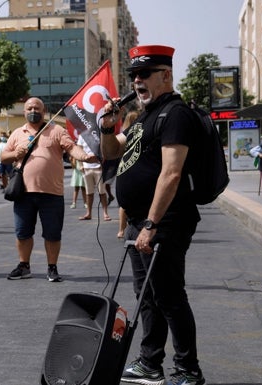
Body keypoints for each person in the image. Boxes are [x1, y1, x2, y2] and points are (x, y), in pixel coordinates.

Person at [99, 45, 206, 385]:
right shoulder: (145, 115)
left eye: (145, 74)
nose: (138, 81)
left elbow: (171, 173)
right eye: (134, 76)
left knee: (170, 296)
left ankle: (188, 370)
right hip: (139, 221)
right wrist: (107, 127)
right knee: (147, 296)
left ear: (166, 75)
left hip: (164, 221)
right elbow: (114, 152)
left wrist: (151, 223)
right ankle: (150, 363)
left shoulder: (174, 114)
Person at [0, 97, 92, 282]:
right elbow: (3, 157)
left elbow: (72, 148)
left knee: (52, 233)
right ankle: (24, 265)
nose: (33, 111)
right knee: (22, 232)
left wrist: (85, 157)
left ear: (44, 112)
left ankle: (52, 268)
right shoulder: (18, 133)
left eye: (37, 108)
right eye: (30, 108)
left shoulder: (57, 130)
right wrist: (14, 154)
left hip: (52, 194)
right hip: (23, 193)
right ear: (25, 112)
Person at [116, 110, 140, 238]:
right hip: (135, 170)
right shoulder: (139, 132)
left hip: (124, 170)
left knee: (124, 204)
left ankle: (121, 229)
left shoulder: (122, 134)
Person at [77, 134, 111, 221]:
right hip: (87, 168)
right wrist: (81, 165)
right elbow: (79, 150)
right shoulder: (82, 135)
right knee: (89, 193)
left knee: (102, 192)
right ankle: (88, 213)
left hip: (99, 167)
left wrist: (104, 165)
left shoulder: (99, 133)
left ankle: (105, 213)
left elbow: (106, 148)